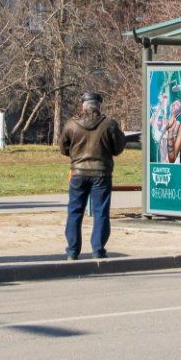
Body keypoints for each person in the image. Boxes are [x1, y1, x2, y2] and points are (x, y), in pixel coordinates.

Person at [59, 91, 127, 260]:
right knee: (101, 212)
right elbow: (118, 148)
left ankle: (72, 251)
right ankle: (98, 250)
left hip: (78, 173)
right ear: (99, 106)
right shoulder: (109, 125)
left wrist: (76, 155)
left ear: (83, 106)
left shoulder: (71, 125)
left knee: (74, 212)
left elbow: (63, 149)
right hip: (102, 174)